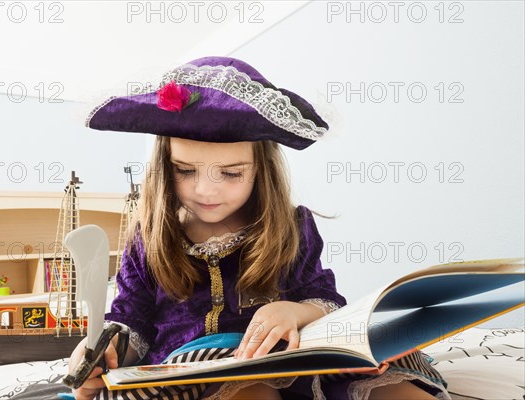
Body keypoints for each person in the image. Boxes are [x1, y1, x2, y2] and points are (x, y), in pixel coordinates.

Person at [68, 56, 450, 400]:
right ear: (164, 168)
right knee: (248, 388)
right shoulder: (148, 238)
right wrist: (102, 348)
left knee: (391, 380)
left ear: (259, 171)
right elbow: (131, 321)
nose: (205, 190)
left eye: (231, 173)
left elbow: (325, 299)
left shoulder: (291, 226)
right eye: (185, 171)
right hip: (191, 372)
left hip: (287, 365)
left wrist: (296, 312)